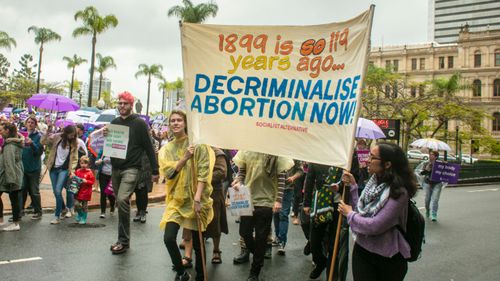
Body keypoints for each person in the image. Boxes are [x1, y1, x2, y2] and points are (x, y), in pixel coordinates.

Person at [338, 142, 417, 281]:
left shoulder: (399, 192)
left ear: (387, 164)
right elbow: (362, 212)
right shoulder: (373, 183)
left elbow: (375, 225)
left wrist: (349, 214)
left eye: (372, 157)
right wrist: (353, 186)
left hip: (387, 258)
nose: (368, 160)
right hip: (362, 251)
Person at [159, 110, 215, 281]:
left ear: (185, 123)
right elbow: (168, 173)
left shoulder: (199, 146)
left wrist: (198, 198)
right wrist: (184, 158)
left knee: (198, 243)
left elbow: (204, 173)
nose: (175, 123)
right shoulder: (166, 149)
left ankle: (200, 275)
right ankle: (181, 272)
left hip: (196, 200)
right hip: (176, 201)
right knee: (169, 238)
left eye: (179, 120)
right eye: (173, 121)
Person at [108, 91, 159, 255]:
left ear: (131, 105)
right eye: (120, 103)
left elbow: (149, 148)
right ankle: (122, 239)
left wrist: (155, 170)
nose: (122, 106)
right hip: (115, 168)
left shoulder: (139, 123)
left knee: (122, 199)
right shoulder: (114, 122)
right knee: (120, 201)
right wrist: (105, 135)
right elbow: (111, 145)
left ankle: (123, 241)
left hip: (132, 168)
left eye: (125, 103)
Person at [231, 151, 293, 281]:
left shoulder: (276, 151)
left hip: (266, 200)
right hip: (246, 197)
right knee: (244, 232)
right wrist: (238, 182)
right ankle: (259, 255)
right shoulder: (247, 149)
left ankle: (254, 272)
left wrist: (278, 200)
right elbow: (242, 171)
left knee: (261, 237)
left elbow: (281, 178)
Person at [303, 163, 345, 280]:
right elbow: (309, 180)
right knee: (314, 240)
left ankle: (332, 277)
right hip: (320, 202)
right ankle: (321, 262)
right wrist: (306, 203)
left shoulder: (345, 155)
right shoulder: (317, 157)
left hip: (339, 205)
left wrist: (340, 186)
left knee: (334, 245)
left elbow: (354, 177)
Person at [42, 125, 79, 225]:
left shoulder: (75, 143)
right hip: (53, 169)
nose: (72, 137)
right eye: (71, 135)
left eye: (74, 135)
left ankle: (56, 216)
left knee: (58, 190)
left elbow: (75, 158)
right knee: (56, 192)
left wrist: (72, 170)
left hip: (64, 170)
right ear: (66, 133)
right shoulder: (57, 137)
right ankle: (63, 208)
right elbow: (43, 142)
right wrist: (47, 132)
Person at [273, 159, 303, 255]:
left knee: (283, 214)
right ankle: (277, 236)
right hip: (274, 187)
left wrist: (293, 177)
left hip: (288, 188)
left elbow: (300, 171)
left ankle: (282, 241)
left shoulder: (293, 155)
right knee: (275, 213)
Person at [205, 147, 229, 264]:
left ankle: (216, 250)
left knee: (215, 223)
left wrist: (203, 179)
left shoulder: (218, 153)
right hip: (196, 193)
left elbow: (221, 172)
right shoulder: (196, 150)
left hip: (214, 192)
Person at [0, 122, 24, 231]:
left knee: (14, 199)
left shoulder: (10, 145)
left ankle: (15, 223)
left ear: (7, 131)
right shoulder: (12, 142)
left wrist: (11, 180)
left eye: (2, 130)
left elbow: (9, 163)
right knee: (14, 199)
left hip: (11, 176)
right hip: (13, 174)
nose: (0, 132)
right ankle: (5, 221)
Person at [21, 116, 44, 220]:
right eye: (28, 122)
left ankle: (38, 211)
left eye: (32, 123)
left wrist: (32, 144)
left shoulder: (39, 136)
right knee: (22, 190)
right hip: (22, 167)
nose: (30, 124)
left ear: (35, 125)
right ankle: (20, 212)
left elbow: (39, 152)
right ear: (25, 124)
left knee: (34, 191)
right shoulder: (22, 134)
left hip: (34, 168)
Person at [419, 150, 444, 221]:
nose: (430, 156)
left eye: (432, 155)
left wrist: (445, 165)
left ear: (436, 156)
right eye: (430, 154)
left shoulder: (440, 164)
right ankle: (427, 210)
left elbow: (446, 172)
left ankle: (434, 214)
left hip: (437, 183)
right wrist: (426, 169)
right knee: (427, 199)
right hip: (428, 183)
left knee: (435, 199)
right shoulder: (426, 163)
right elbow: (421, 173)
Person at [73, 156, 95, 224]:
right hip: (78, 191)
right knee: (76, 204)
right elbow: (75, 179)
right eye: (82, 163)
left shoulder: (90, 172)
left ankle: (84, 218)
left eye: (85, 163)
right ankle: (80, 214)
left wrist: (87, 181)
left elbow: (92, 182)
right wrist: (73, 177)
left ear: (88, 164)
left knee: (84, 206)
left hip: (86, 192)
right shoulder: (77, 171)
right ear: (80, 163)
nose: (83, 165)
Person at [96, 151, 115, 218]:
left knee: (110, 193)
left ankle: (112, 206)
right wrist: (98, 162)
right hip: (103, 175)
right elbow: (96, 161)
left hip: (112, 176)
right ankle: (103, 212)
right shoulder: (102, 151)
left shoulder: (115, 151)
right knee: (103, 193)